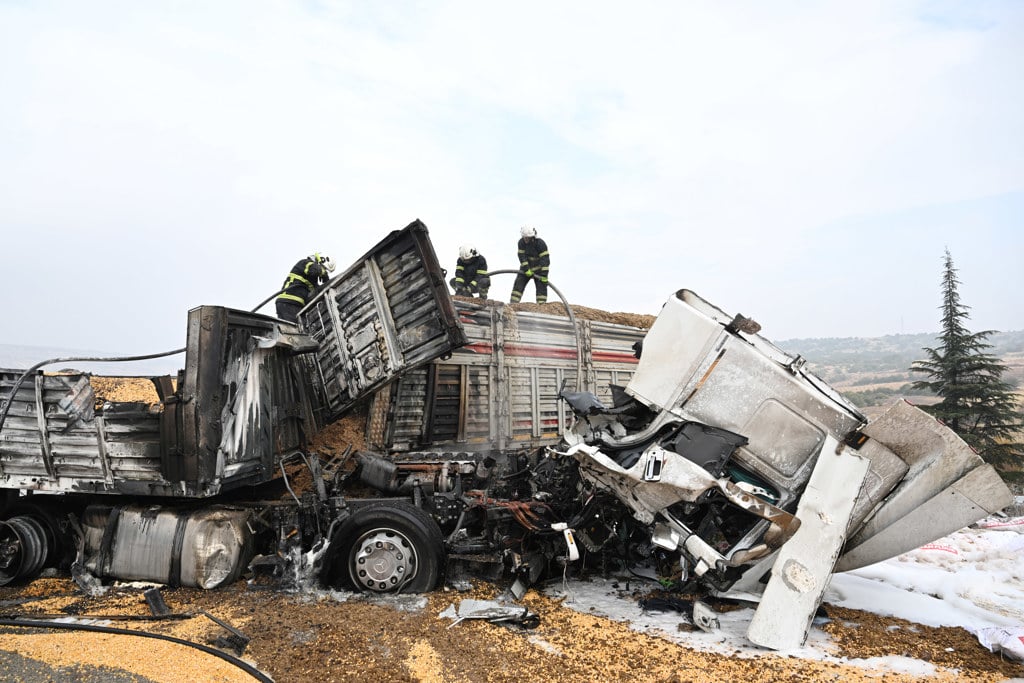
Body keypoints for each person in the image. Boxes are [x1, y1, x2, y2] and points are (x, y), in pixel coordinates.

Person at [275, 253, 335, 322]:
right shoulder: (305, 263)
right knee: (295, 331)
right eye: (324, 268)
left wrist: (327, 283)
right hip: (289, 302)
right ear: (321, 260)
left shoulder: (312, 281)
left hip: (294, 305)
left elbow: (318, 291)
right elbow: (314, 270)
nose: (324, 271)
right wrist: (323, 273)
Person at [510, 226, 550, 304]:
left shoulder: (540, 244)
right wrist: (526, 269)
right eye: (524, 237)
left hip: (539, 270)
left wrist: (544, 276)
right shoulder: (521, 242)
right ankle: (513, 304)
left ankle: (541, 306)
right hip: (526, 269)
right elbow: (522, 257)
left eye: (527, 238)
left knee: (541, 288)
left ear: (532, 237)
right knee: (518, 285)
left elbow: (545, 260)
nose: (526, 239)